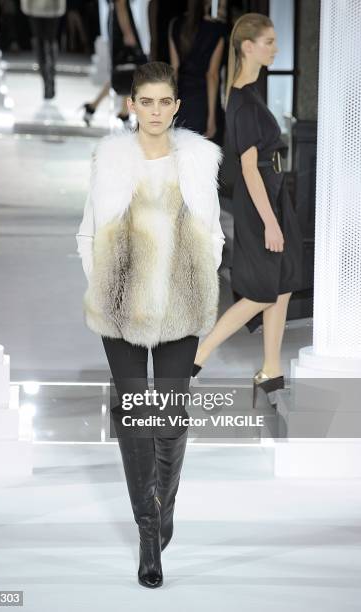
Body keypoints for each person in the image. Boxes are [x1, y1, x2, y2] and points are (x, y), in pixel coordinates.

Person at [76, 61, 225, 588]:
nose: (156, 112)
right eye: (147, 102)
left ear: (177, 106)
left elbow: (213, 234)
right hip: (121, 306)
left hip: (181, 305)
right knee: (135, 416)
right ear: (132, 105)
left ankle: (165, 504)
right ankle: (147, 533)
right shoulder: (111, 159)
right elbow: (87, 230)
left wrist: (201, 278)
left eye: (166, 102)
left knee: (169, 415)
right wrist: (104, 286)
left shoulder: (200, 160)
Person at [191, 13, 304, 406]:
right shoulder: (241, 99)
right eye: (269, 41)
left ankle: (271, 370)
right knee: (259, 293)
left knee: (283, 285)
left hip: (274, 197)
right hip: (262, 204)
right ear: (248, 47)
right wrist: (271, 222)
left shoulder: (249, 93)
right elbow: (247, 170)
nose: (275, 47)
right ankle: (196, 359)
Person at [168, 0, 227, 144]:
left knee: (181, 157)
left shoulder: (175, 24)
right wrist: (212, 119)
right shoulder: (217, 30)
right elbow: (212, 75)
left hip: (181, 101)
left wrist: (168, 108)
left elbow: (174, 69)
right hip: (205, 104)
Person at [21, 0, 66, 100]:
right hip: (49, 8)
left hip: (37, 8)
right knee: (48, 42)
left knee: (41, 44)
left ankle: (47, 80)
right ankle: (49, 78)